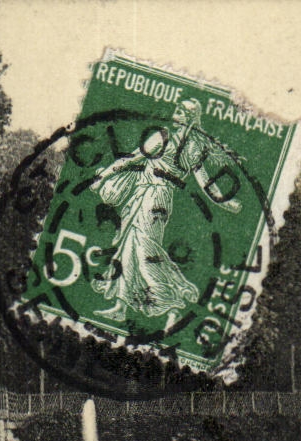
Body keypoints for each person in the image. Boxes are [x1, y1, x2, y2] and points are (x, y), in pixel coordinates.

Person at [89, 98, 240, 329]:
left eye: (181, 111)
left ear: (189, 117)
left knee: (143, 250)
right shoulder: (186, 144)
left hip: (152, 198)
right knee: (128, 247)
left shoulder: (169, 139)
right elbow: (205, 183)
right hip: (153, 198)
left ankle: (171, 303)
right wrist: (223, 201)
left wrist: (103, 176)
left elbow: (133, 159)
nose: (175, 113)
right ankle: (120, 308)